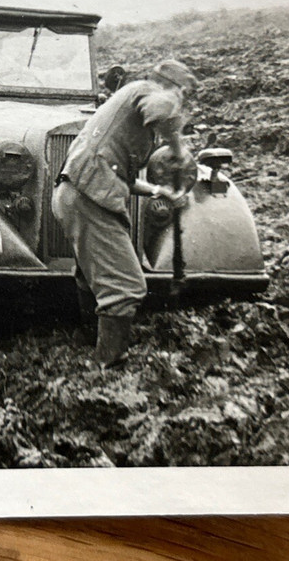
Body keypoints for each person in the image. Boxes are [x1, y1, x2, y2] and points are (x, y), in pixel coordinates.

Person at [51, 59, 198, 367]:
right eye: (183, 97)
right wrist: (177, 149)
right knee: (127, 285)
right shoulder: (150, 92)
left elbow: (122, 177)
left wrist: (159, 191)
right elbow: (163, 110)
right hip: (90, 197)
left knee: (92, 275)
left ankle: (88, 340)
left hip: (77, 193)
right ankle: (109, 366)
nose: (182, 106)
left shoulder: (131, 103)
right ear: (176, 89)